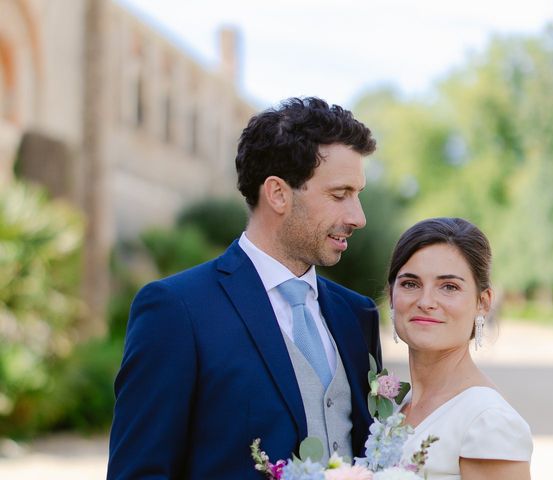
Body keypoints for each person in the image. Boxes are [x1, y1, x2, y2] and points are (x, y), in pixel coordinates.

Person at [107, 97, 382, 479]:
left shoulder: (357, 315)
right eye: (340, 195)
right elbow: (139, 472)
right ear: (278, 193)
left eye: (358, 195)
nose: (358, 217)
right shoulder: (177, 310)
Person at [388, 217, 532, 480]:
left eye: (449, 287)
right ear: (391, 295)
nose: (426, 301)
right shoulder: (398, 408)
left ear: (483, 303)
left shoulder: (488, 421)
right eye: (410, 283)